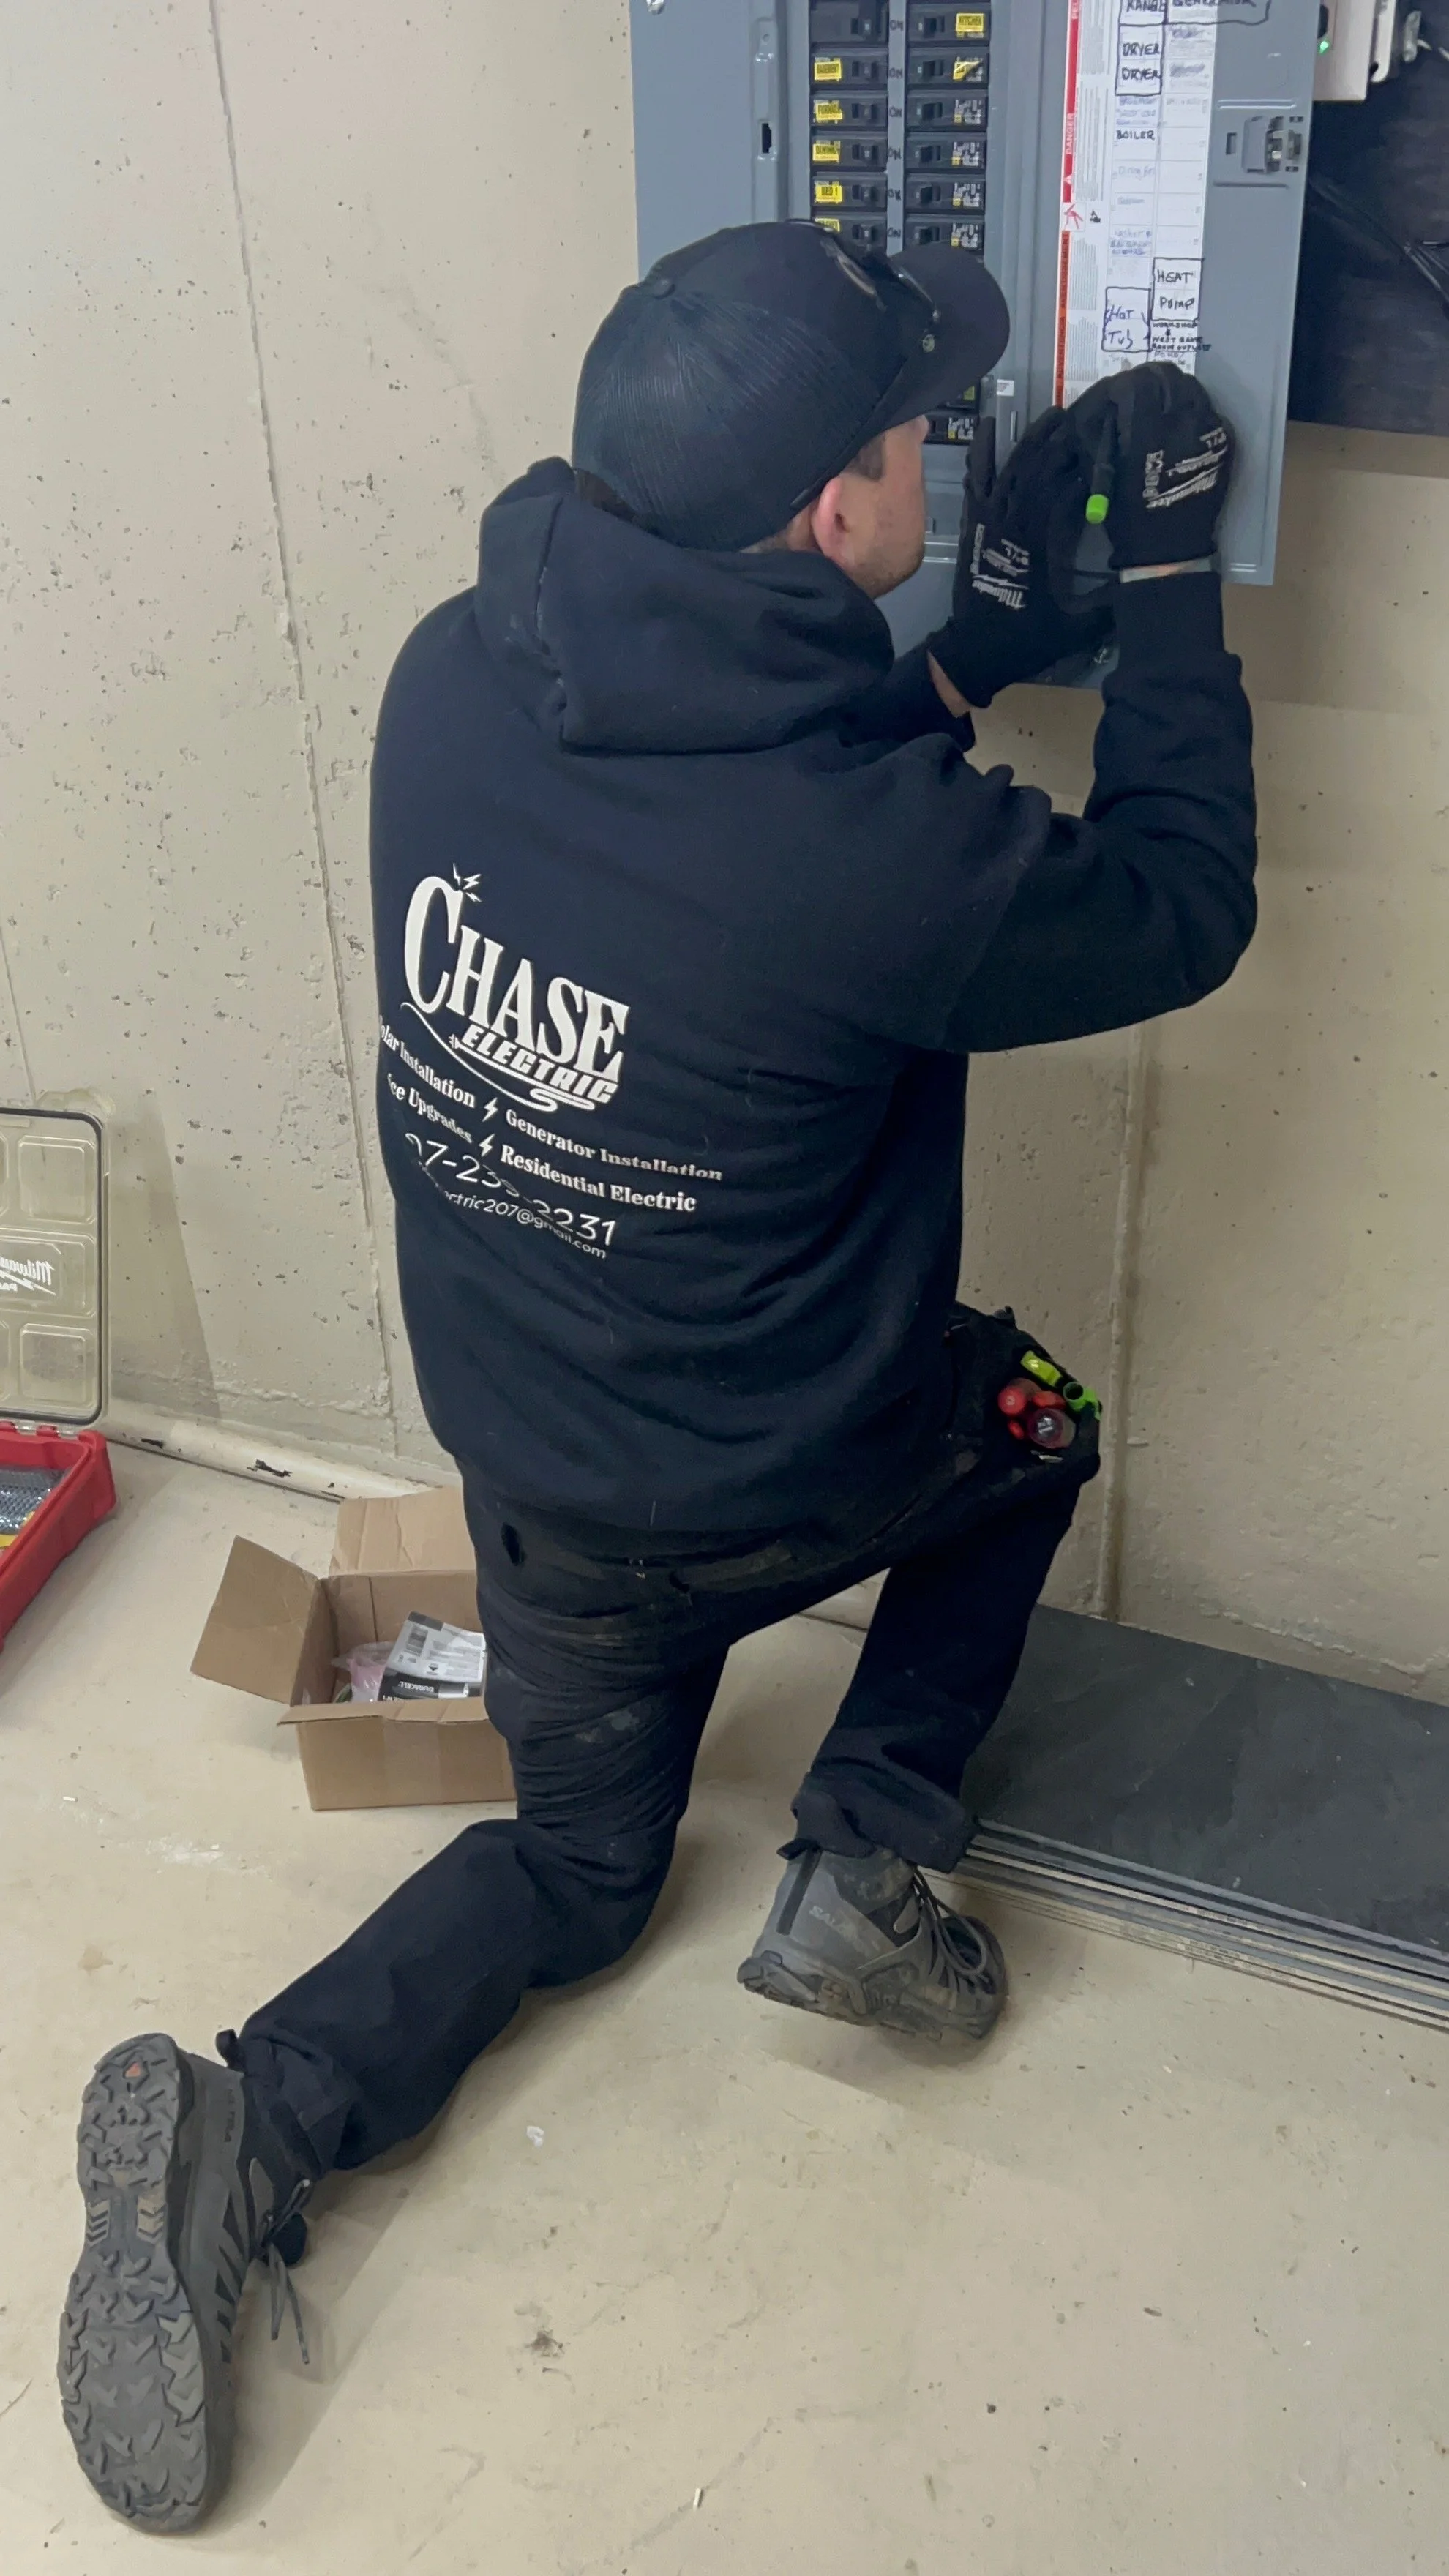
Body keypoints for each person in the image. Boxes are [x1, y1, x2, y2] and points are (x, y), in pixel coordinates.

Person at [59, 221, 1255, 2534]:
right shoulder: (867, 858)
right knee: (1030, 1431)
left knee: (583, 1869)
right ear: (831, 509)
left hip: (532, 1475)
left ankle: (264, 2114)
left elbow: (762, 841)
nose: (931, 457)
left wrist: (983, 632)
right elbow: (1174, 908)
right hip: (773, 1473)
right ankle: (865, 1849)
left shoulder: (452, 674)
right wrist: (1172, 583)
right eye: (914, 437)